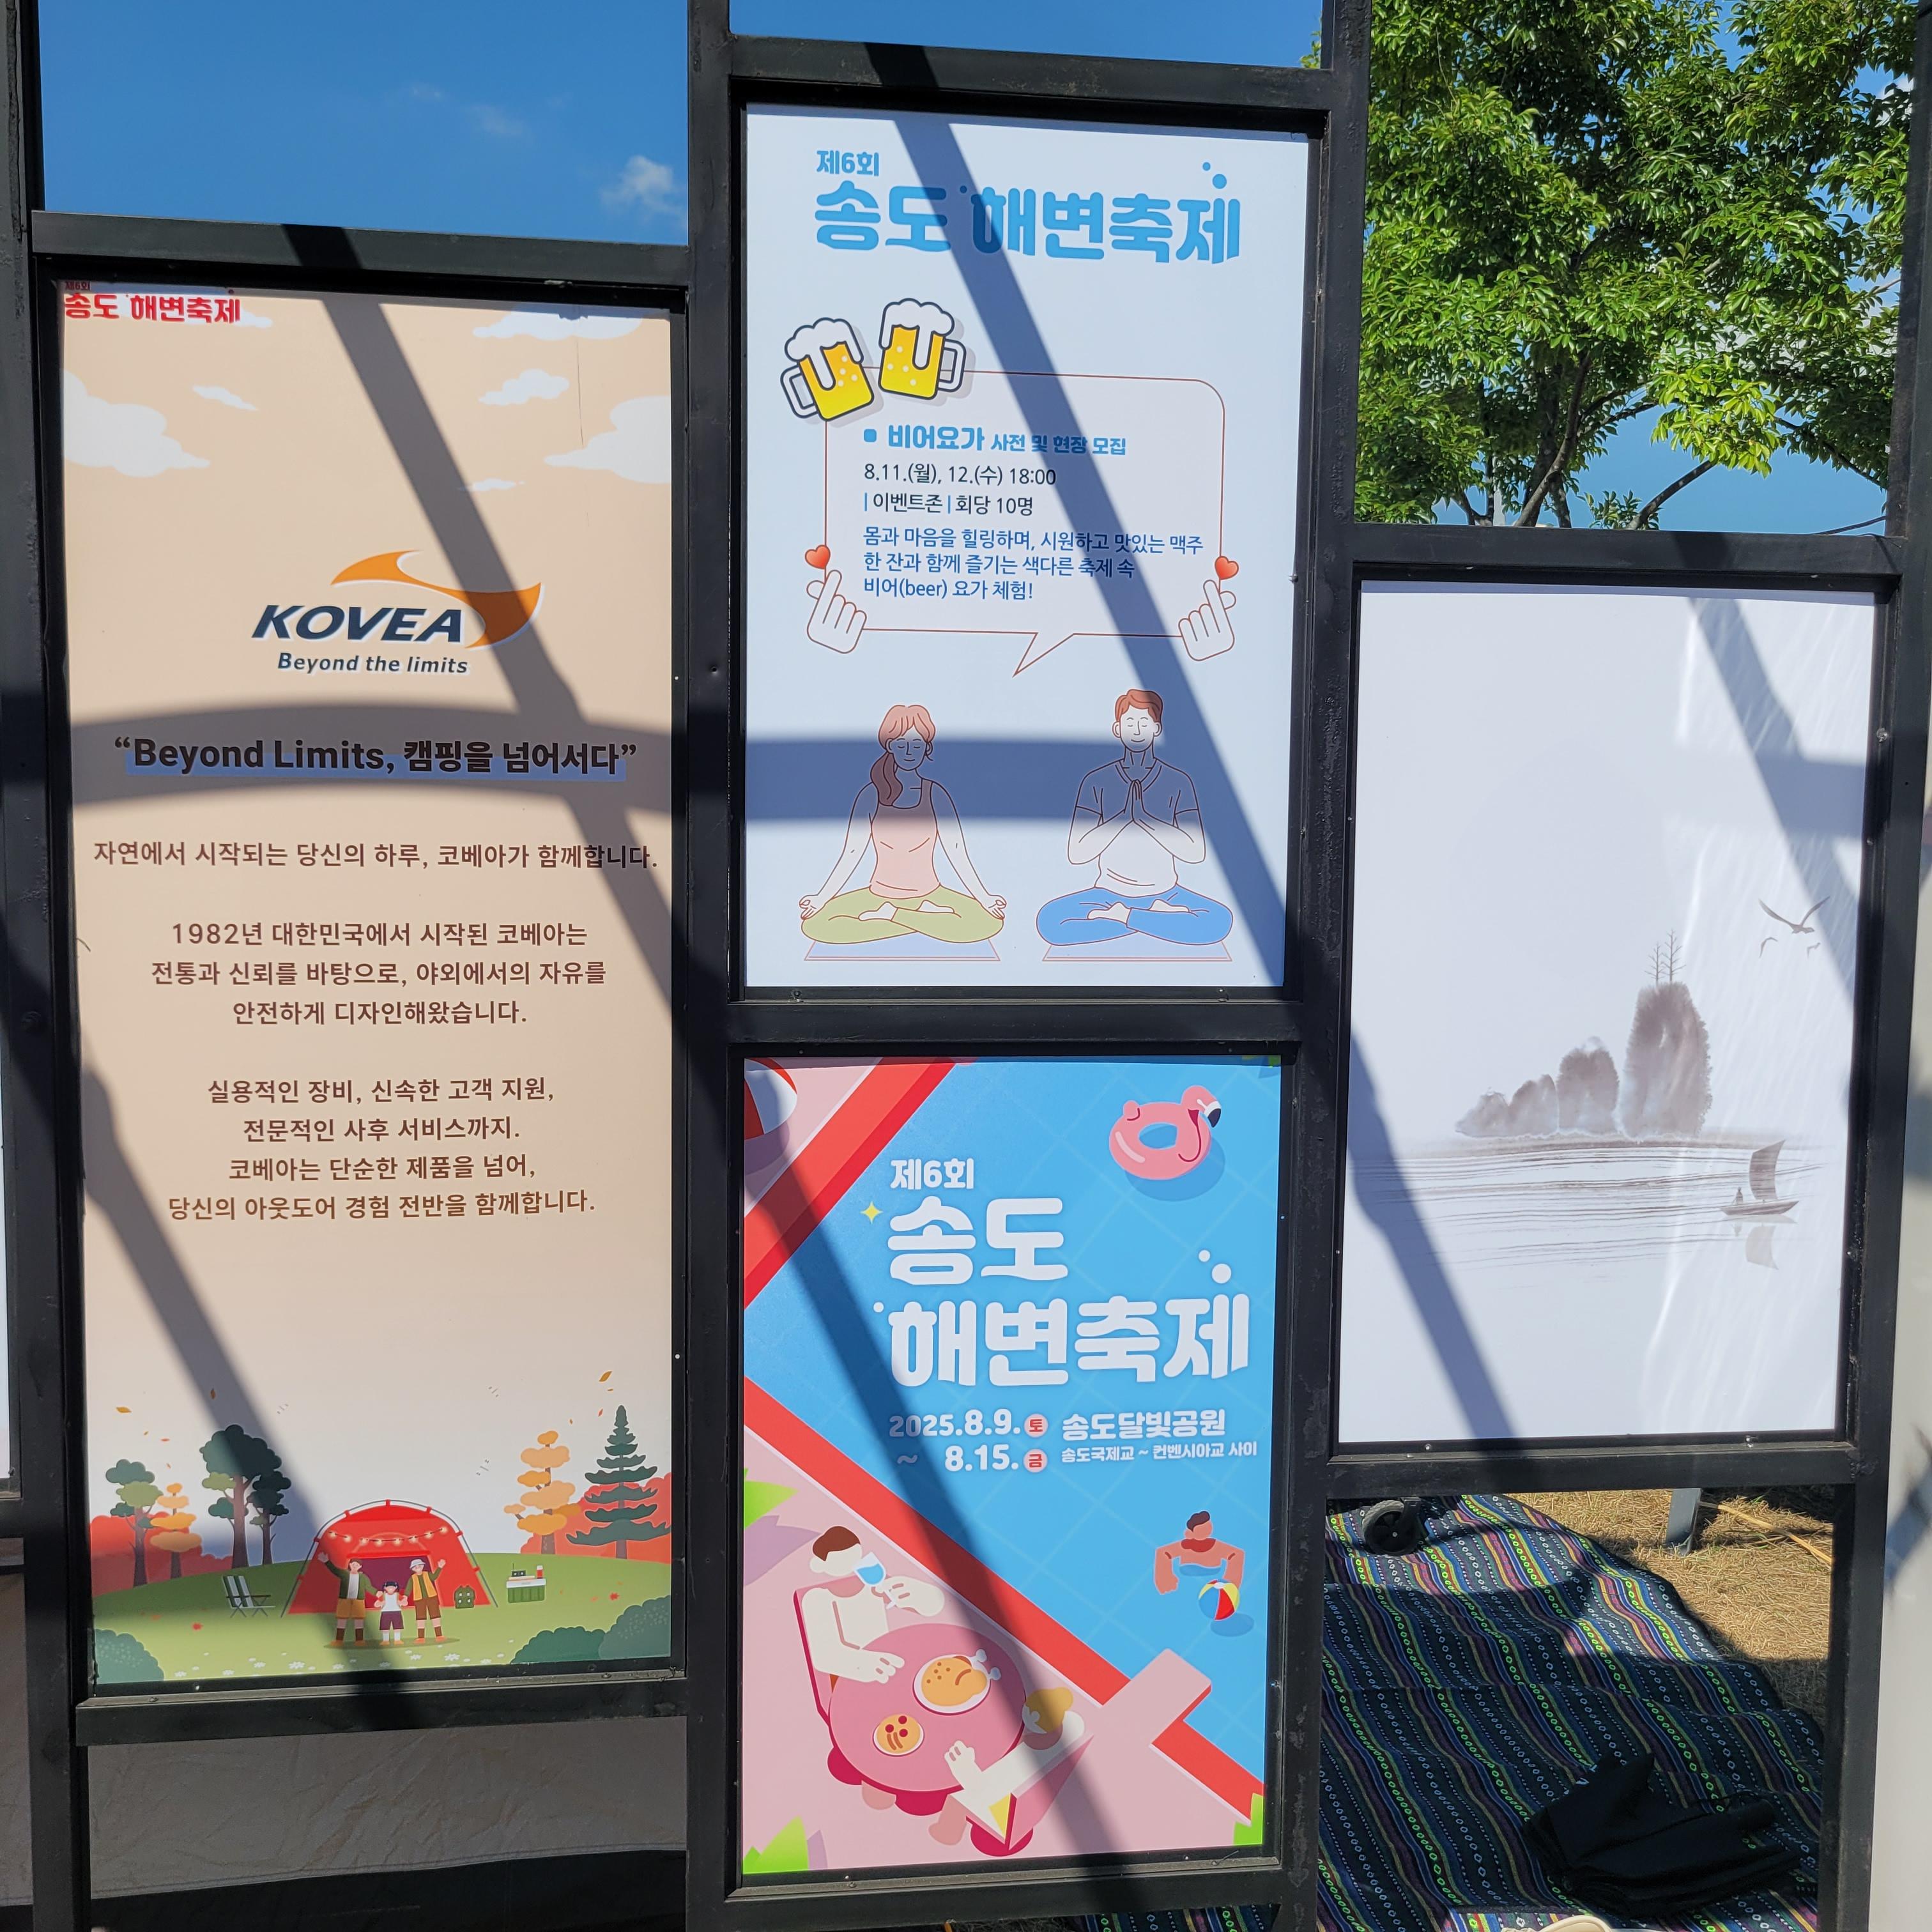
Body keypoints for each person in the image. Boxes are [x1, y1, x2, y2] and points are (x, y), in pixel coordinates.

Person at [1034, 689, 1234, 947]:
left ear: (1157, 729)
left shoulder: (1178, 781)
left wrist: (1146, 820)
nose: (1137, 730)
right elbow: (1077, 853)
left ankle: (1127, 918)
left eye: (1144, 722)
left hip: (1166, 894)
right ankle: (1158, 921)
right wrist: (1121, 819)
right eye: (1130, 722)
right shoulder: (1096, 781)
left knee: (1219, 921)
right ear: (1117, 729)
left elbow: (1196, 852)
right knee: (1050, 922)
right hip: (1107, 895)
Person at [800, 705, 1006, 945]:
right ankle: (924, 919)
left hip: (931, 894)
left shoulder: (935, 794)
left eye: (916, 745)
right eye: (901, 744)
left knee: (987, 921)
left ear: (927, 748)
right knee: (816, 924)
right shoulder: (870, 795)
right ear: (890, 746)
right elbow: (852, 853)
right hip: (879, 895)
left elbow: (957, 851)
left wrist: (984, 897)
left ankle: (894, 915)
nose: (909, 752)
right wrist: (822, 898)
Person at [797, 1523, 941, 1684]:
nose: (852, 1565)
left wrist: (921, 1595)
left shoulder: (872, 1583)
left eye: (855, 1557)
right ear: (821, 1564)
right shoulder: (817, 1598)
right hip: (850, 1679)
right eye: (842, 1560)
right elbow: (825, 1656)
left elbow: (931, 1608)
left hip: (890, 1662)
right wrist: (865, 1664)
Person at [1153, 1510, 1246, 1594]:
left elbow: (1237, 1554)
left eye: (1208, 1526)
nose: (1206, 1530)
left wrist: (1230, 1583)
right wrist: (1165, 1577)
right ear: (1191, 1532)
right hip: (1183, 1588)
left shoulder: (1217, 1546)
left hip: (1214, 1588)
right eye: (1202, 1529)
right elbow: (1162, 1552)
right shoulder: (1185, 1546)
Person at [324, 1554, 374, 1646]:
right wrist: (327, 1561)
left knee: (359, 1620)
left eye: (357, 1565)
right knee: (342, 1620)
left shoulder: (363, 1577)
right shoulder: (345, 1574)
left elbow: (369, 1587)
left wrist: (377, 1593)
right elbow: (335, 1570)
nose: (355, 1566)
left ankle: (359, 1640)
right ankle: (339, 1641)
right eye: (353, 1564)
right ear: (350, 1565)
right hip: (344, 1600)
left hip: (358, 1601)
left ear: (360, 1567)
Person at [407, 1554, 448, 1643]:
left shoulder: (428, 1574)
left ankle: (439, 1635)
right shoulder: (412, 1578)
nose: (418, 1568)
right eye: (416, 1567)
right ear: (413, 1569)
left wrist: (440, 1567)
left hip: (432, 1597)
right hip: (419, 1600)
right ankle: (421, 1637)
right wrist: (405, 1597)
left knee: (435, 1616)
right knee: (420, 1618)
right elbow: (409, 1588)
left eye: (420, 1566)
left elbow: (434, 1577)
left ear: (423, 1566)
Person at [372, 1576, 407, 1646]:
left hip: (396, 1612)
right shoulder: (384, 1596)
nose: (391, 1589)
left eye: (392, 1588)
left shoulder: (397, 1595)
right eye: (389, 1588)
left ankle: (397, 1640)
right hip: (385, 1612)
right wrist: (381, 1603)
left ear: (395, 1588)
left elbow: (405, 1603)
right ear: (385, 1588)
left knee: (397, 1627)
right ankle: (386, 1640)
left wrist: (401, 1603)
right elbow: (376, 1604)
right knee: (385, 1627)